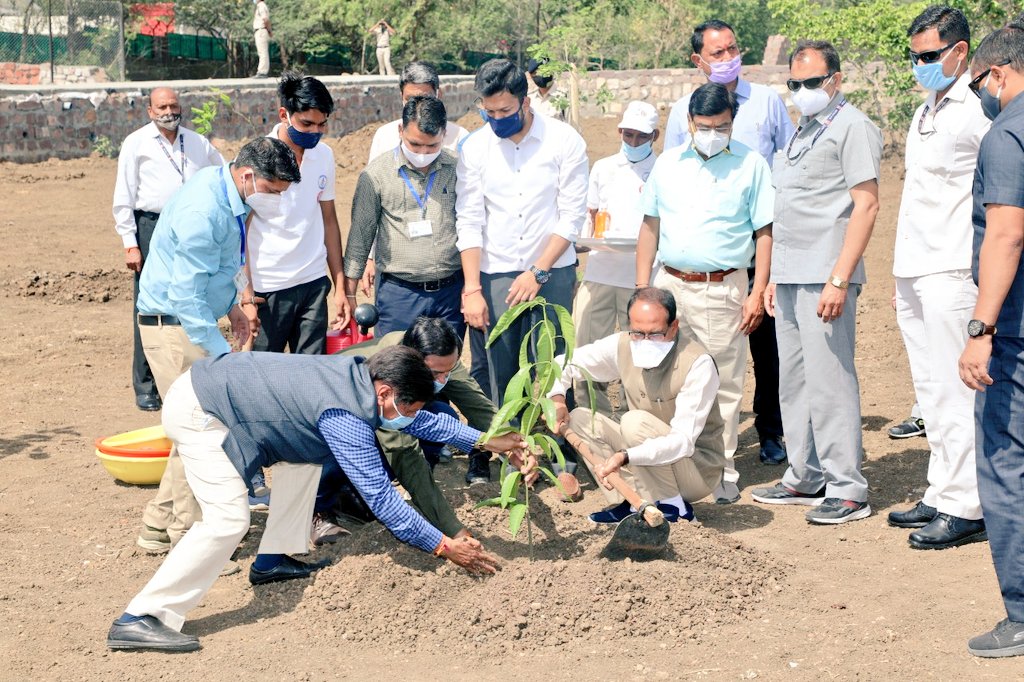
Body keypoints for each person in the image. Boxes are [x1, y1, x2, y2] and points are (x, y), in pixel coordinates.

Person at [106, 346, 529, 653]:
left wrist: (491, 442)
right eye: (409, 406)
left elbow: (422, 424)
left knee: (303, 466)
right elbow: (382, 499)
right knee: (227, 520)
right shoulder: (344, 414)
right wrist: (441, 544)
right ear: (385, 393)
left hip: (223, 391)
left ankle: (271, 562)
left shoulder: (361, 372)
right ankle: (143, 616)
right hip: (202, 408)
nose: (410, 416)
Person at [133, 137, 300, 557]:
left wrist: (233, 307)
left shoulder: (225, 192)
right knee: (200, 431)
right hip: (174, 326)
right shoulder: (203, 211)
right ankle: (186, 539)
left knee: (191, 427)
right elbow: (186, 295)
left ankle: (157, 526)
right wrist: (222, 357)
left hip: (187, 321)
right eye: (274, 191)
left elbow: (217, 269)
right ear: (248, 176)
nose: (277, 201)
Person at [752, 40, 882, 525]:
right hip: (790, 276)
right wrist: (773, 278)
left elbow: (865, 206)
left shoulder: (853, 127)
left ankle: (847, 487)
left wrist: (839, 278)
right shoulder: (802, 130)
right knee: (796, 381)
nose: (803, 91)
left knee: (830, 382)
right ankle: (804, 475)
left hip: (827, 276)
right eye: (795, 83)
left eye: (812, 82)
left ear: (836, 80)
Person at [636, 83, 774, 505]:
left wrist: (758, 289)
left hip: (723, 289)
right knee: (664, 377)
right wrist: (643, 288)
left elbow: (765, 231)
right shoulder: (668, 165)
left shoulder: (751, 165)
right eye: (706, 126)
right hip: (670, 286)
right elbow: (650, 226)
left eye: (723, 125)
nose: (714, 132)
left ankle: (720, 473)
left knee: (722, 384)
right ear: (690, 124)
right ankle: (670, 469)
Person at [665, 19, 795, 467]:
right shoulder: (684, 111)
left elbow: (789, 164)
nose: (727, 58)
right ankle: (698, 445)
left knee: (766, 345)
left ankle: (771, 428)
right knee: (702, 353)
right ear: (697, 60)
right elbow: (670, 178)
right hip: (709, 252)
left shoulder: (767, 103)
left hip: (761, 242)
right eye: (717, 53)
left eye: (732, 49)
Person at [456, 58, 589, 483]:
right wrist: (472, 288)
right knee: (497, 366)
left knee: (550, 359)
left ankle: (556, 445)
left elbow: (571, 217)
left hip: (551, 271)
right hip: (495, 274)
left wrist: (538, 271)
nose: (496, 120)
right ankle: (504, 449)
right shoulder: (476, 148)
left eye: (505, 112)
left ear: (525, 101)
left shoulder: (564, 141)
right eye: (488, 112)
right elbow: (469, 219)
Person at [888, 6, 989, 550]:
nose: (920, 65)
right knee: (929, 389)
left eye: (929, 56)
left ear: (960, 52)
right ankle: (941, 489)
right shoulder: (927, 109)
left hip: (953, 265)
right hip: (915, 264)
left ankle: (968, 504)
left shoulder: (978, 109)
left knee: (955, 391)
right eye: (915, 56)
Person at [957, 23, 1024, 659]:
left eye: (979, 83)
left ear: (998, 74)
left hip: (1018, 332)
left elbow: (1005, 233)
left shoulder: (1006, 134)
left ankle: (1023, 613)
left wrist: (981, 329)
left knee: (1005, 464)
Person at [548, 287, 726, 523]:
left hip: (693, 469)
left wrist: (625, 456)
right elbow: (563, 363)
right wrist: (558, 399)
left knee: (634, 422)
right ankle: (632, 501)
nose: (645, 341)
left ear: (673, 327)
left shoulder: (697, 363)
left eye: (655, 334)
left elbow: (682, 442)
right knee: (581, 419)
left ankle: (674, 506)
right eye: (637, 333)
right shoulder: (623, 344)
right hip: (643, 453)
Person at [317, 316, 503, 542]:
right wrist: (452, 531)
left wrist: (512, 443)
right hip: (322, 425)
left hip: (375, 419)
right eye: (435, 374)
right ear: (413, 361)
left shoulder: (440, 355)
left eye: (449, 371)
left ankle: (349, 495)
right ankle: (318, 506)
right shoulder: (383, 376)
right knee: (340, 444)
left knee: (443, 415)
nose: (443, 379)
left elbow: (477, 404)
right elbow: (403, 452)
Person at [112, 87, 224, 412]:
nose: (169, 111)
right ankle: (146, 386)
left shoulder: (198, 143)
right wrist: (130, 244)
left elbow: (222, 174)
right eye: (162, 106)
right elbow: (124, 198)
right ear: (149, 110)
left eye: (174, 105)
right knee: (149, 306)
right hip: (151, 227)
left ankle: (189, 378)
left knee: (191, 298)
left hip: (191, 229)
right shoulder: (136, 144)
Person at [245, 73, 349, 358]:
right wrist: (247, 292)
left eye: (322, 124)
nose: (315, 131)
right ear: (284, 114)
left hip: (313, 285)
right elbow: (240, 230)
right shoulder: (258, 158)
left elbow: (329, 220)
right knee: (264, 375)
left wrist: (339, 285)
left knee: (312, 375)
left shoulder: (323, 155)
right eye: (306, 124)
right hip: (268, 289)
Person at [345, 97, 465, 338]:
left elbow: (472, 226)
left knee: (445, 371)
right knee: (397, 369)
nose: (422, 153)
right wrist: (349, 295)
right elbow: (360, 238)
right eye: (414, 144)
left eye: (432, 146)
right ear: (401, 131)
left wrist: (471, 287)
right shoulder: (376, 175)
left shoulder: (459, 169)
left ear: (444, 134)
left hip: (450, 294)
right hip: (399, 295)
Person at [575, 100, 660, 416]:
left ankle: (634, 418)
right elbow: (592, 215)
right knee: (585, 349)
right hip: (599, 272)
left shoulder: (663, 170)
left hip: (641, 279)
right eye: (628, 135)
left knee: (638, 353)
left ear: (656, 135)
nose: (634, 142)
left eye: (642, 136)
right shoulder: (604, 167)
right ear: (619, 131)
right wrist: (584, 242)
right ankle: (589, 417)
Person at [367, 61, 469, 163]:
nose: (417, 104)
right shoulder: (384, 136)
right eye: (410, 99)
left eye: (425, 98)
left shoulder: (460, 137)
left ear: (438, 95)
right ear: (401, 96)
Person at [252, 0, 272, 79]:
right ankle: (261, 71)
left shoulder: (261, 6)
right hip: (259, 30)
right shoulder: (259, 6)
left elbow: (265, 19)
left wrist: (269, 30)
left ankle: (263, 72)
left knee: (263, 51)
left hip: (261, 30)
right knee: (261, 52)